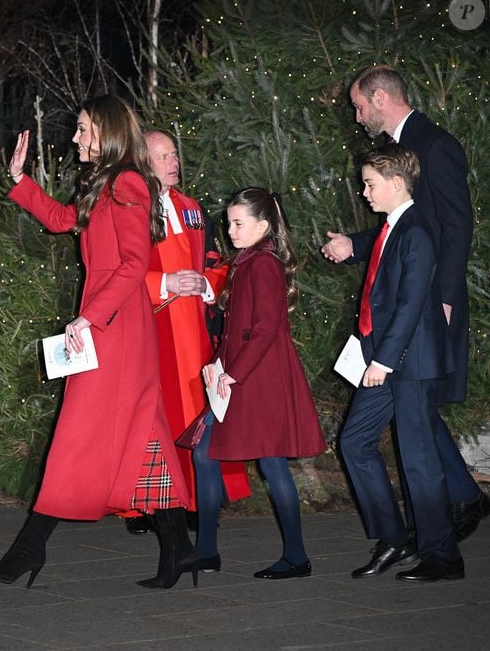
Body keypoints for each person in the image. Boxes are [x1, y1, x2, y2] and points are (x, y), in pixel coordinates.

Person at [0, 96, 197, 590]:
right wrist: (19, 180)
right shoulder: (105, 183)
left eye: (81, 130)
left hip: (114, 327)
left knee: (78, 436)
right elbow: (61, 220)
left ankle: (28, 549)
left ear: (104, 130)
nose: (74, 139)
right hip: (112, 325)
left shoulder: (128, 182)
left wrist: (89, 318)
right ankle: (179, 548)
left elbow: (134, 264)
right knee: (144, 438)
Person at [322, 65, 489, 542]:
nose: (356, 118)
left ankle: (447, 518)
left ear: (379, 98)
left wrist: (449, 299)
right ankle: (460, 497)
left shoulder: (434, 144)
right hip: (412, 305)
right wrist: (356, 243)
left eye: (358, 106)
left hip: (431, 304)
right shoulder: (406, 146)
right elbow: (403, 227)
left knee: (414, 408)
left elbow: (454, 227)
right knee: (413, 408)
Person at [339, 143, 464, 582]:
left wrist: (385, 361)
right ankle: (394, 538)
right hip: (388, 360)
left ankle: (443, 557)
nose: (364, 192)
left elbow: (411, 304)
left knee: (419, 461)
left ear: (396, 183)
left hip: (407, 363)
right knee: (354, 442)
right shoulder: (394, 227)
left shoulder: (415, 232)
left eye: (370, 184)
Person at [122, 131, 251, 536]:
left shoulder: (193, 209)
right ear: (143, 162)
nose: (173, 162)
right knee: (147, 417)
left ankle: (196, 500)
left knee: (194, 416)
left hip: (193, 332)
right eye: (163, 157)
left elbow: (218, 261)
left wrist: (206, 283)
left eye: (174, 154)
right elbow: (116, 275)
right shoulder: (129, 211)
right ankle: (146, 505)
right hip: (148, 330)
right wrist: (165, 282)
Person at [193, 187, 327, 578]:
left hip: (259, 378)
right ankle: (207, 550)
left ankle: (295, 557)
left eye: (238, 223)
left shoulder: (262, 264)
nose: (230, 230)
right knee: (210, 453)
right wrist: (219, 367)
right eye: (229, 222)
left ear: (263, 226)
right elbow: (238, 329)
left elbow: (266, 329)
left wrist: (232, 374)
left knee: (269, 463)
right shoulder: (247, 261)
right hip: (244, 374)